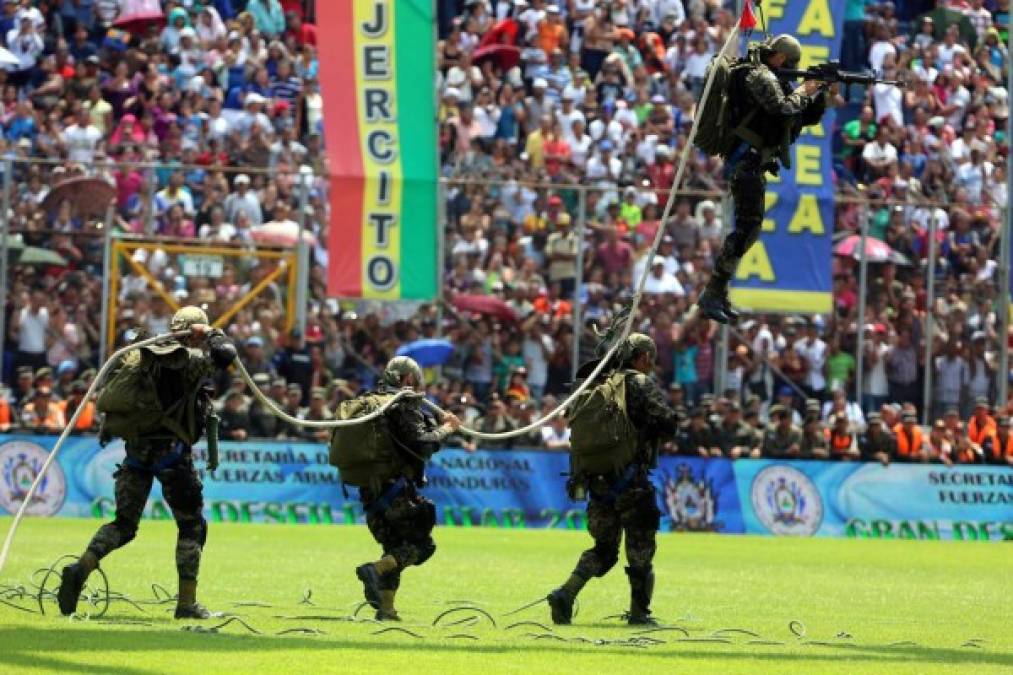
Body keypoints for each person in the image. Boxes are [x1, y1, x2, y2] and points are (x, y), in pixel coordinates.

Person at [58, 307, 237, 619]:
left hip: (135, 455)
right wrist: (212, 334)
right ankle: (186, 603)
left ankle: (82, 566)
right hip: (172, 456)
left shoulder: (139, 357)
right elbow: (225, 356)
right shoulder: (188, 361)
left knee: (124, 525)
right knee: (192, 526)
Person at [697, 35, 834, 323]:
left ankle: (717, 291)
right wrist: (807, 88)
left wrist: (819, 91)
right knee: (748, 229)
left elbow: (803, 118)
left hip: (754, 163)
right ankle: (712, 291)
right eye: (792, 63)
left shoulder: (772, 77)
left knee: (750, 229)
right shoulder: (757, 75)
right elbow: (783, 107)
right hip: (746, 161)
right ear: (782, 59)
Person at [547, 333, 679, 626]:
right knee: (640, 551)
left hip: (597, 484)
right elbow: (667, 424)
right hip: (632, 484)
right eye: (651, 358)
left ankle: (566, 593)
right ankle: (639, 613)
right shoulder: (640, 384)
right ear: (643, 357)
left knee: (604, 550)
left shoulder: (596, 384)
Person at [354, 357, 461, 622]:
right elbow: (422, 443)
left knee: (394, 547)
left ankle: (387, 610)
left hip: (370, 492)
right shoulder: (403, 405)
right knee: (422, 546)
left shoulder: (370, 402)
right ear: (409, 379)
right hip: (396, 492)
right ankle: (374, 570)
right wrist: (447, 428)